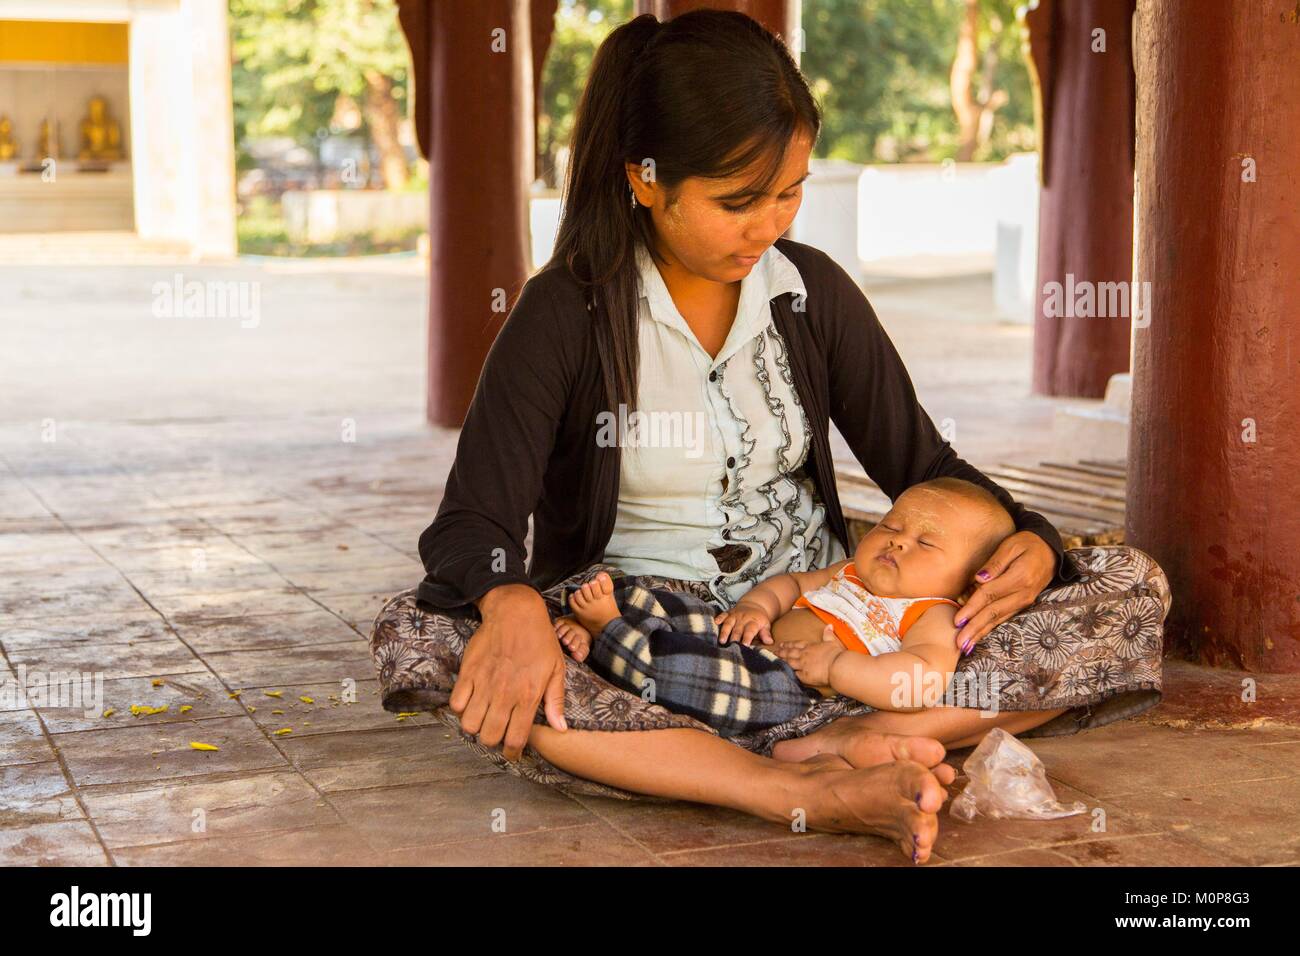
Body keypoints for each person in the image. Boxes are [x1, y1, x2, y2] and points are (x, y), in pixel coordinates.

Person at [369, 9, 1167, 864]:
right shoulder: (567, 313)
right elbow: (469, 527)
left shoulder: (808, 293)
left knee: (1128, 583)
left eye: (790, 192)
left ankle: (792, 743)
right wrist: (513, 601)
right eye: (738, 201)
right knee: (432, 637)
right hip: (647, 643)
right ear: (645, 181)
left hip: (838, 631)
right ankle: (801, 784)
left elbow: (927, 468)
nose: (770, 225)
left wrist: (1032, 544)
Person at [556, 478, 1013, 740]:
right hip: (750, 637)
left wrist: (838, 667)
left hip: (785, 686)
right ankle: (606, 621)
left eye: (925, 542)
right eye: (890, 524)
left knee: (699, 679)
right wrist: (756, 607)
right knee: (672, 605)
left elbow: (919, 682)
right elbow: (794, 583)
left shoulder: (933, 614)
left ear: (971, 579)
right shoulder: (853, 570)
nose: (897, 539)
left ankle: (609, 634)